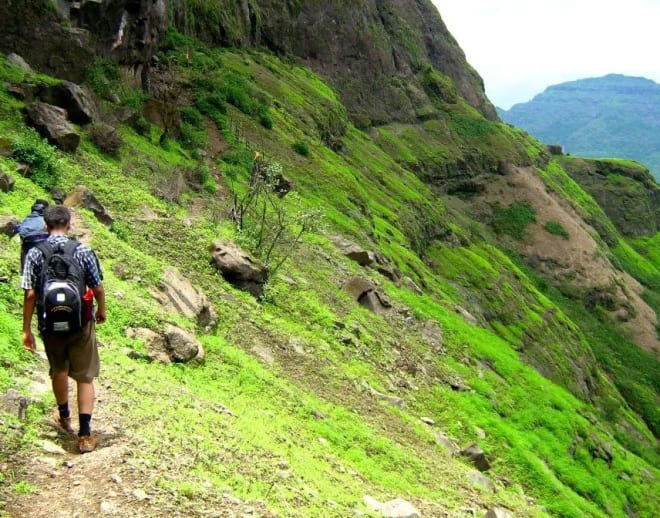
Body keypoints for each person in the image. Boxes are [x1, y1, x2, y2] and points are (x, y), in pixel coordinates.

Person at [21, 205, 107, 453]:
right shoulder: (82, 250)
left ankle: (64, 416)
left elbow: (30, 294)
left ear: (45, 226)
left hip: (50, 325)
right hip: (80, 323)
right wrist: (101, 310)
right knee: (85, 376)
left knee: (58, 369)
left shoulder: (35, 253)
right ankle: (86, 434)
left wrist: (26, 329)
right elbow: (98, 287)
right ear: (69, 225)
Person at [14, 199, 49, 269]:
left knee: (23, 248)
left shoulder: (26, 221)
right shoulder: (47, 223)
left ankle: (23, 272)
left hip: (27, 256)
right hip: (45, 256)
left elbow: (18, 231)